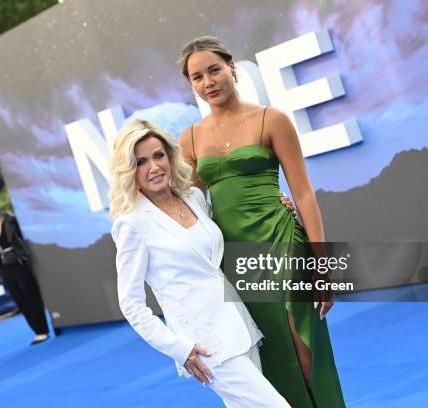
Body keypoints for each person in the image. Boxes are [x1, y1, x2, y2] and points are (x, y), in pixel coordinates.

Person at [177, 36, 345, 407]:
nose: (209, 82)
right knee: (269, 358)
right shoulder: (188, 139)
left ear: (232, 67)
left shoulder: (272, 119)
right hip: (235, 259)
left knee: (304, 350)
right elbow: (189, 208)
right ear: (191, 85)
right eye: (198, 77)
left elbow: (303, 193)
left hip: (282, 243)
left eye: (215, 70)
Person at [109, 119, 290, 407]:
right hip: (207, 347)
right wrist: (179, 348)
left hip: (240, 326)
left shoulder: (193, 197)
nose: (154, 167)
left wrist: (275, 205)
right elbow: (131, 305)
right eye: (141, 161)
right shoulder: (131, 224)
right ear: (128, 171)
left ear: (169, 156)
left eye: (158, 155)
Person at [0, 197, 50, 345]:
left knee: (31, 295)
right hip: (5, 267)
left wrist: (26, 257)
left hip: (19, 262)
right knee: (21, 300)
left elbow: (23, 239)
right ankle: (37, 331)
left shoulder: (11, 219)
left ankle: (43, 329)